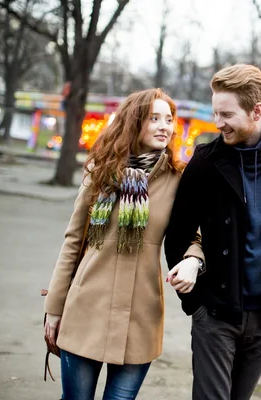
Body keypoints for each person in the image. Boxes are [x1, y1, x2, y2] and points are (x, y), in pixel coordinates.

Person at [164, 64, 261, 400]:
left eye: (226, 114)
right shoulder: (205, 162)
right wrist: (195, 303)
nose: (218, 123)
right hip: (216, 314)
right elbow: (177, 232)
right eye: (216, 112)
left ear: (257, 110)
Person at [43, 88, 204, 400]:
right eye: (154, 118)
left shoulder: (178, 179)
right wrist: (54, 308)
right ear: (134, 123)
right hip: (86, 308)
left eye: (168, 119)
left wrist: (193, 260)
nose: (164, 126)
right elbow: (74, 240)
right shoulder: (101, 171)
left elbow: (194, 236)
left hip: (140, 317)